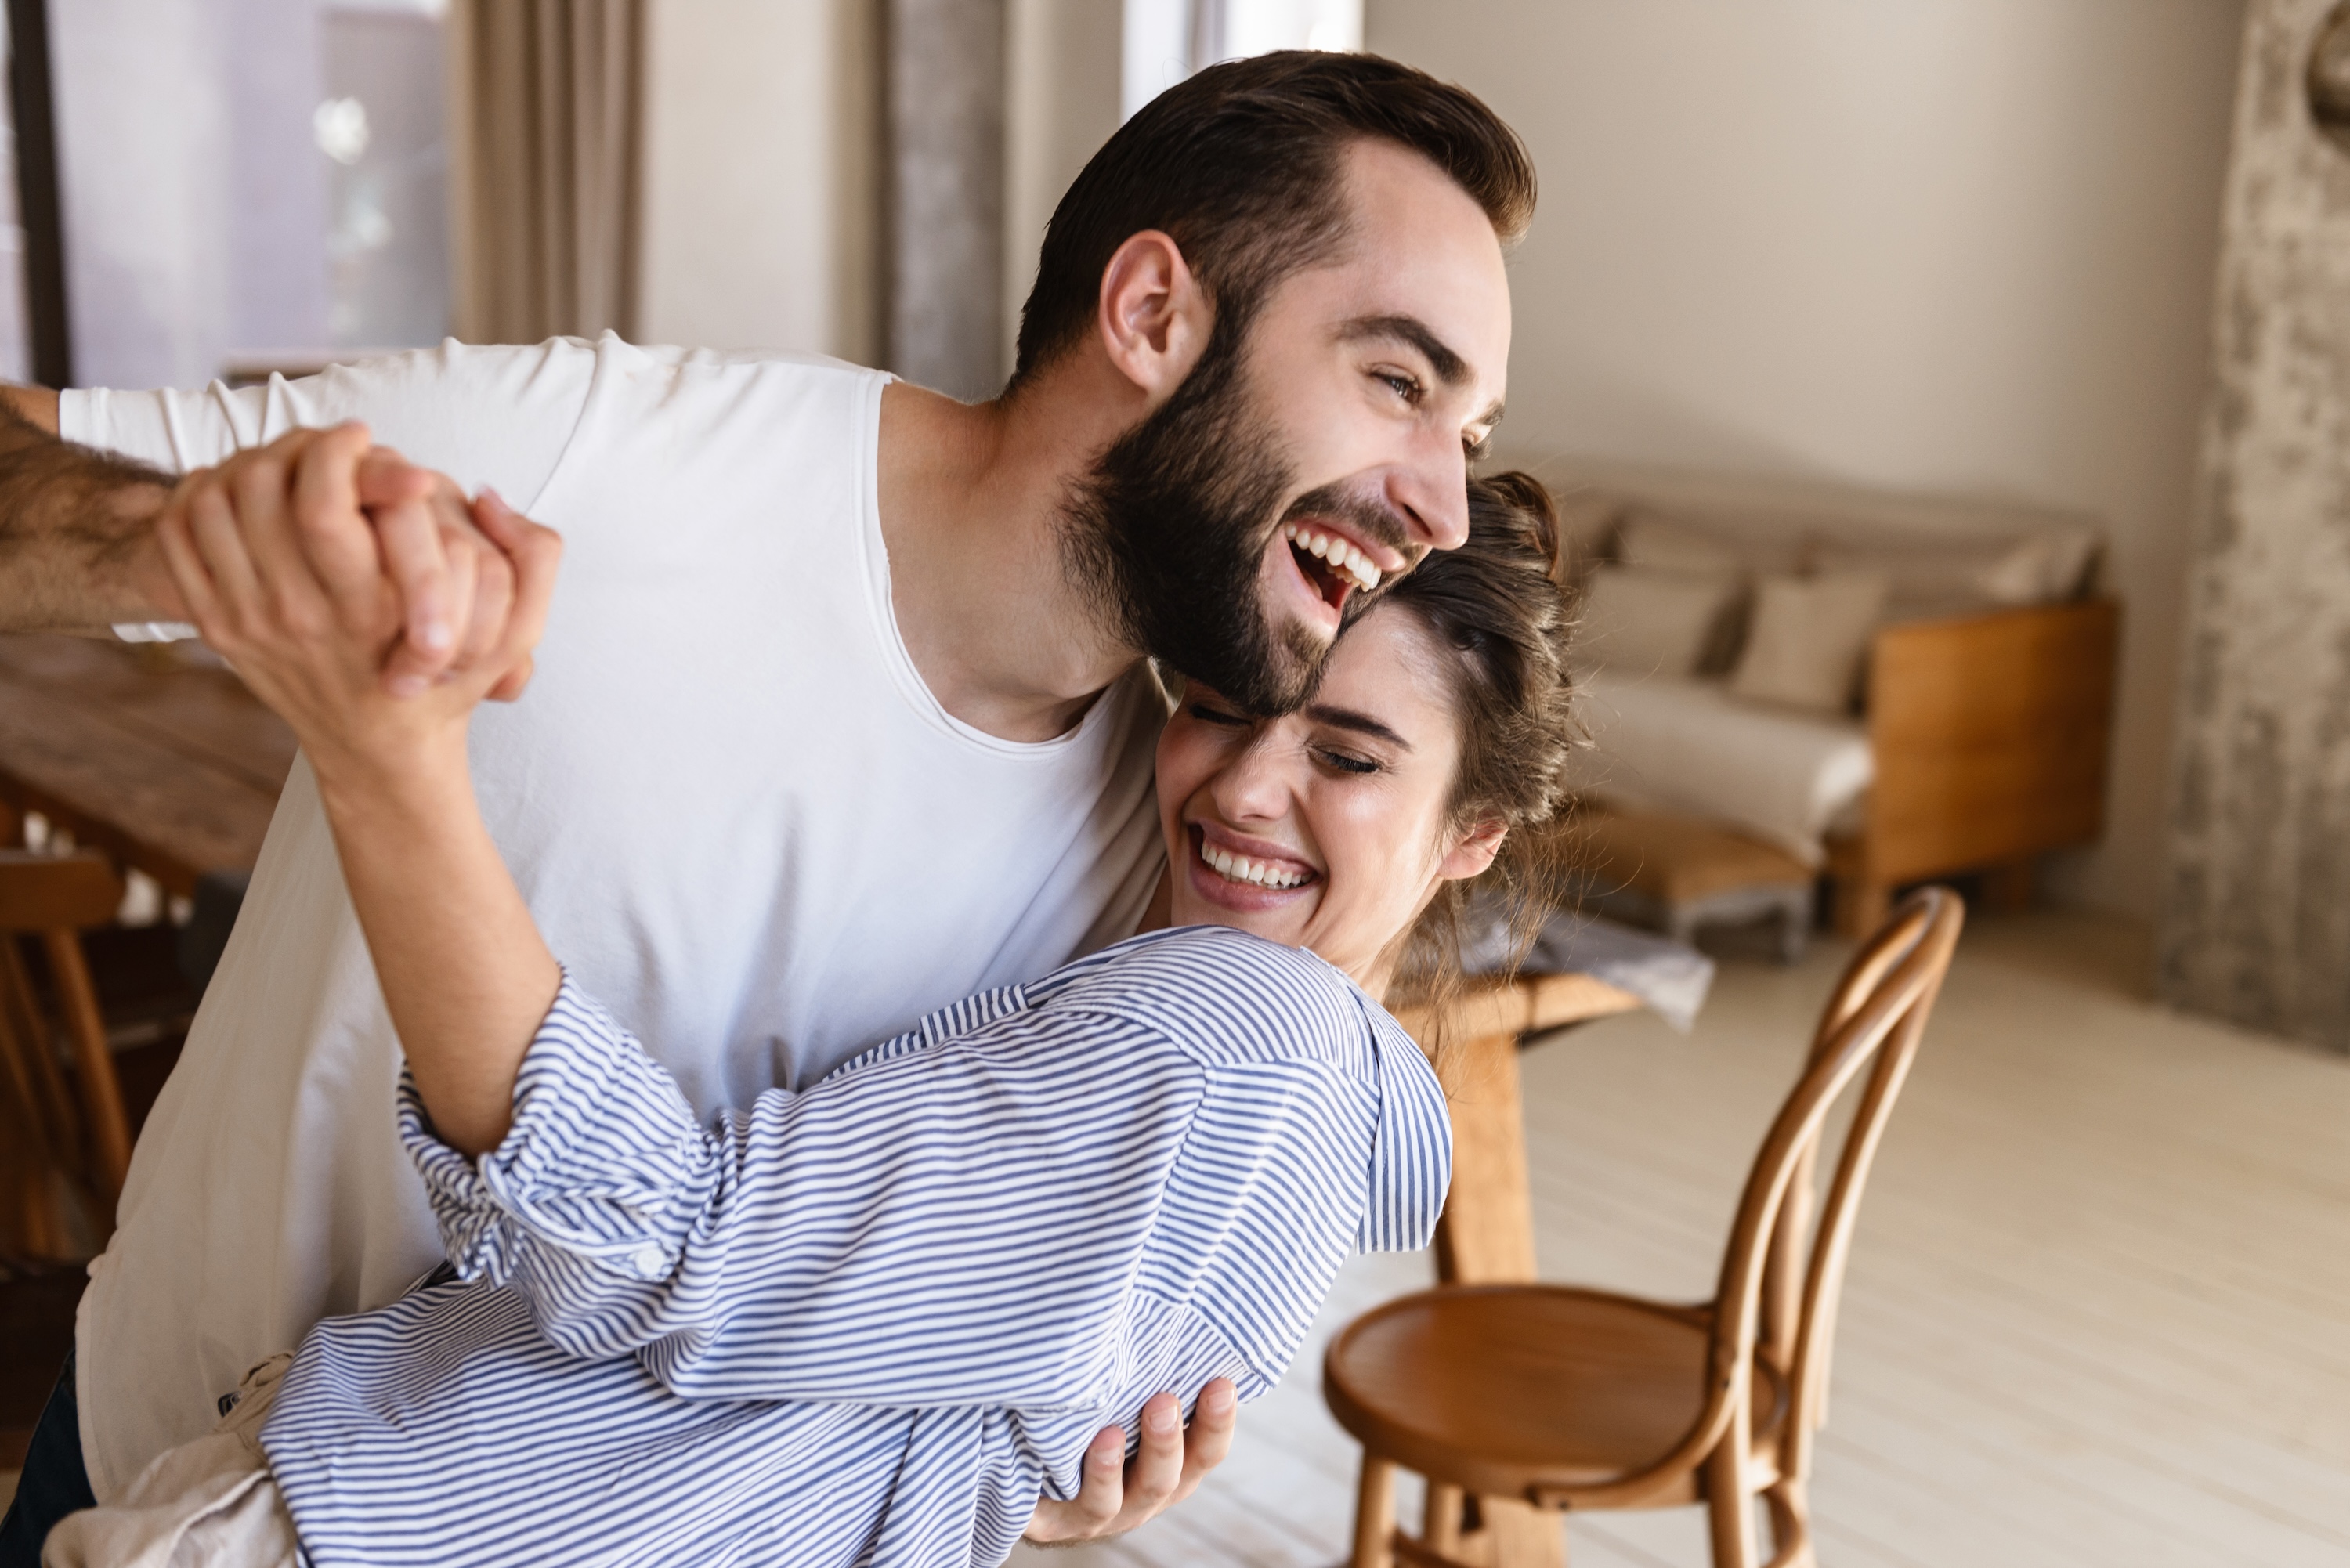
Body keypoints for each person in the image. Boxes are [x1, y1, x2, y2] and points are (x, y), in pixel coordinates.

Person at [0, 50, 1533, 1559]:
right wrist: (210, 549)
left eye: (1463, 437)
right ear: (1152, 315)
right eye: (1398, 381)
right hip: (161, 1458)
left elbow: (885, 1310)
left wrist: (1016, 1455)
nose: (1442, 504)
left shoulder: (1185, 833)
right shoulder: (606, 454)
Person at [42, 471, 1578, 1566]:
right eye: (1230, 703)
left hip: (392, 1521)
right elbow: (921, 1421)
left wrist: (393, 756)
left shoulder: (1228, 1022)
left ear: (1475, 831)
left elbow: (658, 1244)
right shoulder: (1336, 1140)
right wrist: (1028, 1486)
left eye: (1354, 755)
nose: (1244, 786)